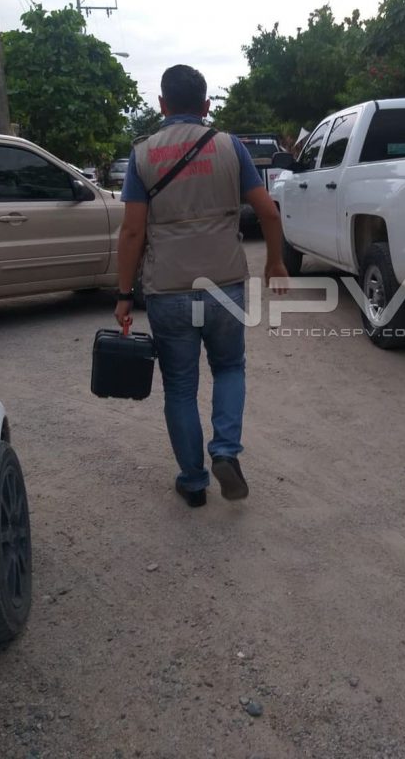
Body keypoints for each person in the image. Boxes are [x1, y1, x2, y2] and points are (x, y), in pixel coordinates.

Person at [115, 64, 288, 508]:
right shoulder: (230, 147)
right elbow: (269, 211)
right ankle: (225, 451)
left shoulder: (143, 155)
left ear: (161, 104)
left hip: (168, 289)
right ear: (207, 105)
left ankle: (193, 483)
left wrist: (123, 294)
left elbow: (132, 232)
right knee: (229, 368)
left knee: (179, 387)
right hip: (224, 285)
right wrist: (275, 262)